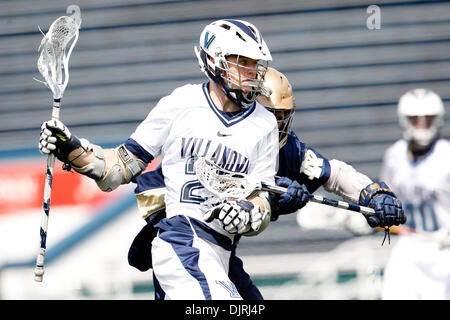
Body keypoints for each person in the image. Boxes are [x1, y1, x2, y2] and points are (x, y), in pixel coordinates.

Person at [38, 19, 279, 300]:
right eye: (243, 62)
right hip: (182, 239)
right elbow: (119, 168)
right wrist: (71, 150)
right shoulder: (180, 103)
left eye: (255, 64)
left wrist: (249, 214)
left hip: (222, 252)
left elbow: (263, 198)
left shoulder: (265, 123)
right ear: (215, 61)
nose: (253, 72)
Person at [128, 67, 407, 299]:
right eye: (268, 115)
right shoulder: (217, 143)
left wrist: (371, 194)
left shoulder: (288, 150)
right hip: (189, 248)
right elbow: (156, 188)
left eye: (280, 117)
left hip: (223, 253)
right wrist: (161, 226)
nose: (273, 125)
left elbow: (332, 173)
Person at [380, 88, 450, 299]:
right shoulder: (394, 155)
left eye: (428, 119)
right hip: (409, 246)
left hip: (443, 248)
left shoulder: (446, 155)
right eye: (416, 119)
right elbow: (387, 202)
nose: (422, 124)